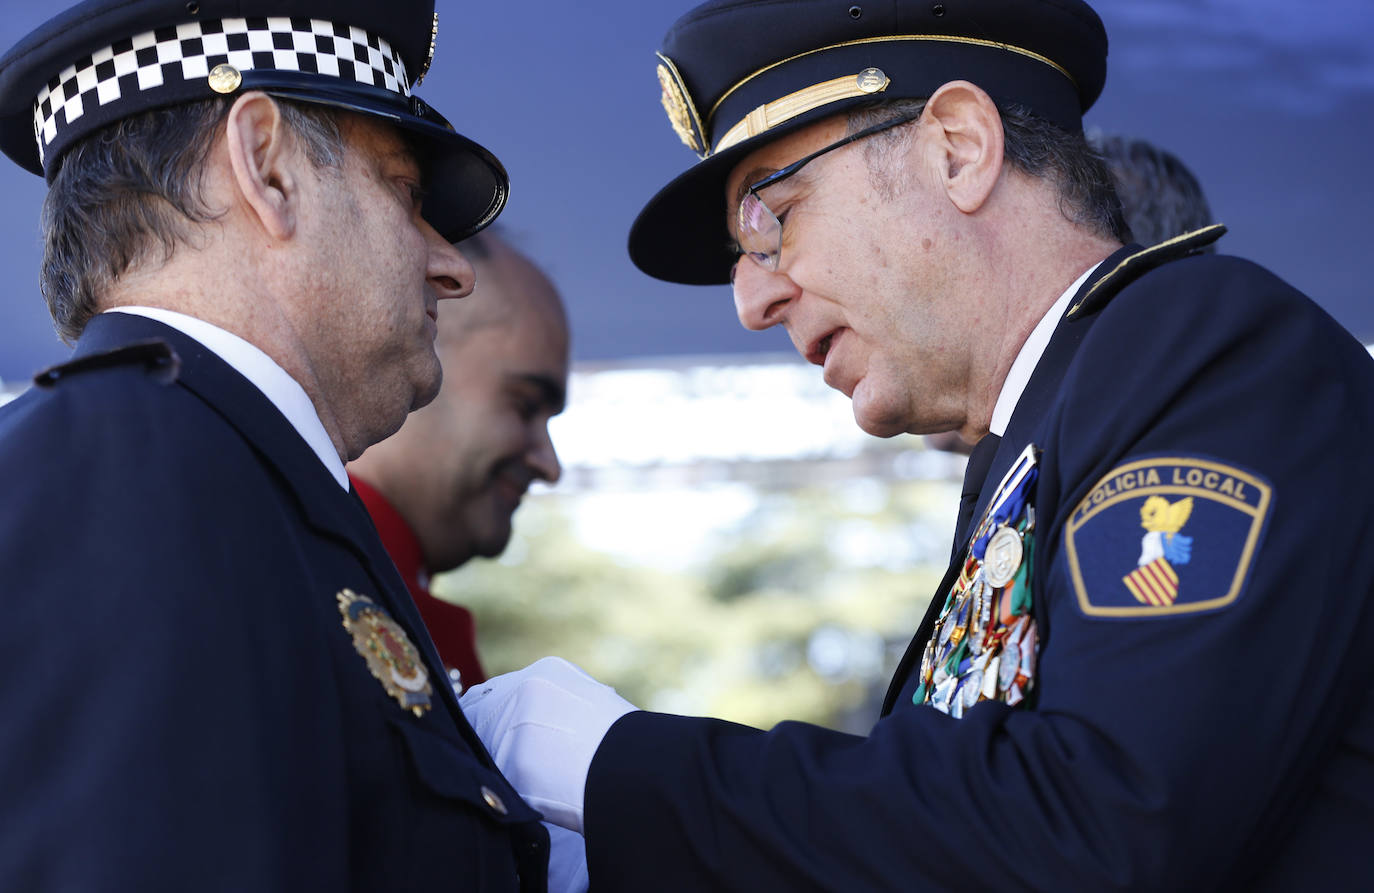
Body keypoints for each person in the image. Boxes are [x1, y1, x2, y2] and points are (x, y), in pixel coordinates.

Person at [460, 0, 1374, 888]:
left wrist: (621, 770)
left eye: (772, 218)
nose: (751, 303)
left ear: (959, 150)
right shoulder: (1042, 435)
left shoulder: (1200, 348)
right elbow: (955, 836)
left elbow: (1103, 822)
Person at [0, 0, 553, 888]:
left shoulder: (209, 474)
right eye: (407, 197)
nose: (450, 265)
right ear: (268, 169)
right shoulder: (126, 479)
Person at [348, 229, 569, 693]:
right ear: (415, 349)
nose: (550, 466)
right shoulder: (309, 578)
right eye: (525, 405)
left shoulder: (370, 584)